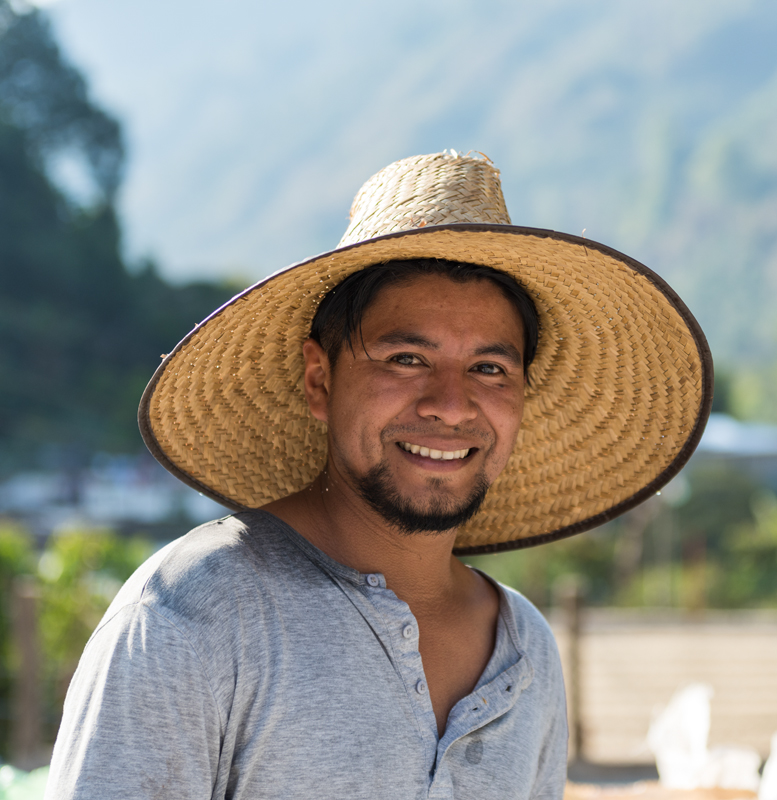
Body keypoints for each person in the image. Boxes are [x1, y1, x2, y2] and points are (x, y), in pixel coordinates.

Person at [45, 151, 712, 799]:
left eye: (489, 369)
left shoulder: (524, 652)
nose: (451, 405)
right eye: (405, 359)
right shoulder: (197, 614)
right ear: (320, 380)